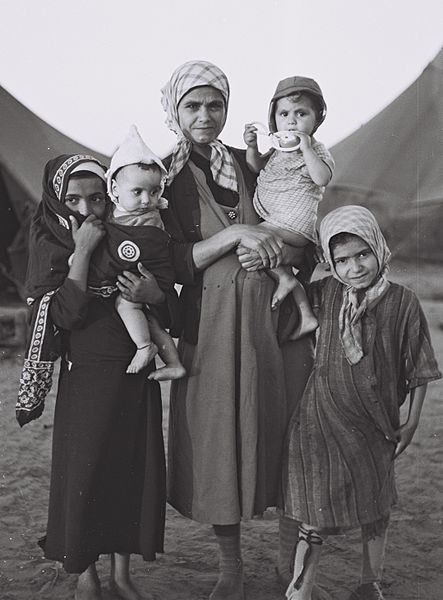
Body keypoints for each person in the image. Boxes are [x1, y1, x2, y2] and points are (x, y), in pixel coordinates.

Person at [140, 59, 316, 600]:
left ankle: (293, 568)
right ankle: (231, 566)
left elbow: (302, 224)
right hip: (210, 327)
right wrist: (235, 233)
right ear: (174, 109)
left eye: (214, 104)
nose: (205, 115)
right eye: (193, 105)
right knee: (220, 443)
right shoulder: (159, 178)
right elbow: (165, 260)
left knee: (290, 436)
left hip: (274, 321)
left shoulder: (258, 163)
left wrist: (282, 255)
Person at [17, 154, 168, 600]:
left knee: (129, 467)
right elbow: (61, 313)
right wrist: (82, 251)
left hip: (133, 368)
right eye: (74, 200)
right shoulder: (49, 240)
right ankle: (86, 573)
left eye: (97, 199)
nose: (87, 210)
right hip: (84, 372)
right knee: (86, 469)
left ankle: (122, 576)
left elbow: (163, 305)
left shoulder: (129, 233)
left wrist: (155, 292)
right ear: (56, 199)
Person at [282, 205, 441, 600]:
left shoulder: (403, 302)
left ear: (378, 247)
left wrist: (412, 421)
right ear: (330, 263)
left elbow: (421, 367)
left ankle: (369, 582)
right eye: (342, 260)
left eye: (362, 254)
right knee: (314, 506)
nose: (355, 268)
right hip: (319, 418)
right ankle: (301, 588)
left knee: (377, 502)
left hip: (377, 422)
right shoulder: (323, 293)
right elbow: (288, 283)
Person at [244, 76, 334, 338]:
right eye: (284, 114)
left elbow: (322, 178)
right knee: (254, 247)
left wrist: (307, 149)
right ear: (274, 119)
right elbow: (256, 168)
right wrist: (252, 146)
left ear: (316, 119)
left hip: (293, 223)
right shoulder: (277, 150)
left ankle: (285, 279)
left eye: (301, 113)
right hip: (278, 221)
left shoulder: (316, 150)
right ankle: (305, 314)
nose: (291, 120)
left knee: (250, 241)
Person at [106, 125, 185, 379]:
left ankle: (144, 346)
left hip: (150, 275)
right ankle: (174, 363)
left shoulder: (146, 219)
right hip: (146, 278)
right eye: (137, 192)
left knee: (126, 305)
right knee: (151, 321)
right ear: (115, 189)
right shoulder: (122, 214)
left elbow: (130, 250)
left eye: (154, 191)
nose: (146, 200)